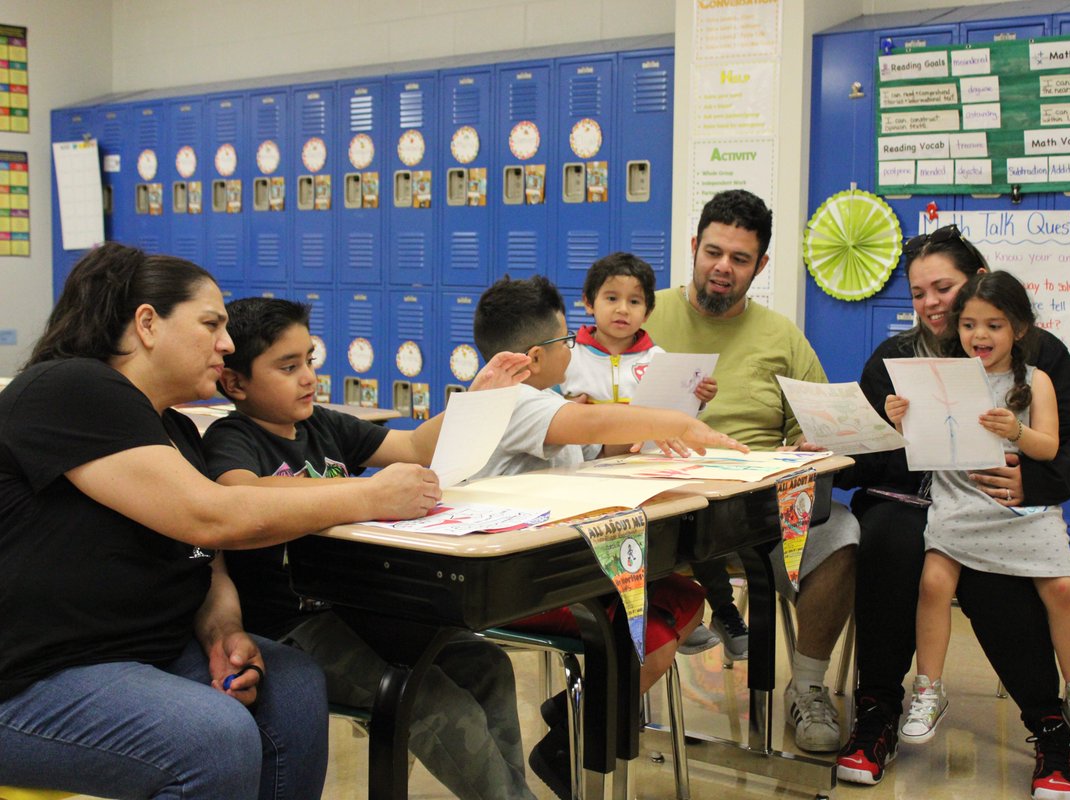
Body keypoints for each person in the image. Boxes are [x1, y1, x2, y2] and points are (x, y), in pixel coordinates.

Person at [0, 243, 442, 799]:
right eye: (211, 324)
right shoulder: (72, 388)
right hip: (30, 678)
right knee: (215, 737)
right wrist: (370, 494)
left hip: (139, 655)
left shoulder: (177, 431)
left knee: (296, 684)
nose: (227, 345)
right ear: (147, 325)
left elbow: (204, 565)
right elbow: (210, 517)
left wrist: (223, 632)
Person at [201, 296, 540, 800]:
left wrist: (478, 399)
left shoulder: (323, 425)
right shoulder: (233, 437)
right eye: (287, 367)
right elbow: (238, 492)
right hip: (291, 627)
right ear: (235, 384)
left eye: (309, 360)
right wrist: (365, 496)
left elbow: (413, 447)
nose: (308, 378)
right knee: (437, 705)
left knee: (486, 665)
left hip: (358, 609)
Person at [835, 225, 1070, 800]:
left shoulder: (1033, 353)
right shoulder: (895, 356)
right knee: (887, 541)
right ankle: (877, 712)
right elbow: (867, 459)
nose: (932, 303)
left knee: (987, 570)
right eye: (919, 292)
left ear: (979, 283)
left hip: (991, 500)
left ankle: (1050, 726)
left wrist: (1031, 483)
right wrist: (834, 451)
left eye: (944, 287)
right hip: (910, 502)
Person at [472, 273, 747, 799]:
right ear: (535, 355)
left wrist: (644, 435)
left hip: (558, 563)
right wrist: (674, 424)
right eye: (566, 342)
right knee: (655, 627)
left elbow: (597, 447)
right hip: (523, 580)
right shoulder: (517, 402)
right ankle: (572, 742)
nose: (573, 350)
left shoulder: (542, 400)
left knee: (682, 600)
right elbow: (593, 427)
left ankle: (575, 718)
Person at [642, 189, 861, 754]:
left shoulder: (780, 335)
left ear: (760, 266)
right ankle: (626, 681)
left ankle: (808, 687)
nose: (723, 267)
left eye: (740, 259)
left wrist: (811, 442)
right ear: (693, 248)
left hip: (759, 511)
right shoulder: (642, 315)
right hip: (660, 504)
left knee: (841, 533)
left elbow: (814, 424)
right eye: (713, 252)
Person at [882, 271, 1070, 751]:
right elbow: (915, 447)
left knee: (1065, 589)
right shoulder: (941, 377)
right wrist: (899, 418)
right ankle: (928, 689)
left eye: (994, 325)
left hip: (1022, 510)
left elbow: (1050, 448)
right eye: (968, 325)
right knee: (933, 583)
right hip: (958, 504)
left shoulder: (1038, 380)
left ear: (1020, 330)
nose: (979, 336)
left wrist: (1016, 432)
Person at [560, 251, 716, 408]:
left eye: (634, 301)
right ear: (588, 303)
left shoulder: (658, 360)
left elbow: (673, 413)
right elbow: (540, 402)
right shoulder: (566, 355)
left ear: (647, 313)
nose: (623, 309)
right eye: (612, 298)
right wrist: (560, 407)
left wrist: (698, 399)